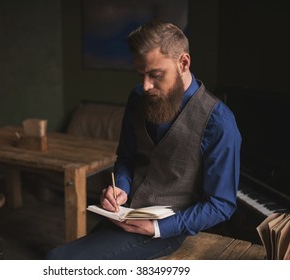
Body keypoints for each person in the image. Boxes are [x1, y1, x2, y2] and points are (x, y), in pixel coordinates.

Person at [45, 19, 241, 260]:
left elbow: (221, 204)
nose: (146, 86)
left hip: (168, 230)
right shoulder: (138, 97)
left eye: (156, 75)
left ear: (183, 63)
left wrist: (158, 228)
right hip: (124, 215)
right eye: (141, 74)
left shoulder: (219, 122)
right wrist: (121, 188)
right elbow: (127, 158)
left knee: (56, 261)